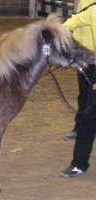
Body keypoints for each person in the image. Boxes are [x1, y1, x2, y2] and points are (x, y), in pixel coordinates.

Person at [59, 0, 96, 177]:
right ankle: (79, 163)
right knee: (88, 116)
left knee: (88, 115)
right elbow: (76, 20)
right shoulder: (92, 10)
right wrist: (54, 31)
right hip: (91, 62)